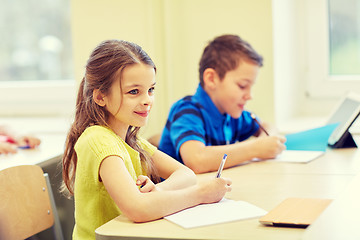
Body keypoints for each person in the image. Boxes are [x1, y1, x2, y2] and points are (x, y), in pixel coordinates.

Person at [61, 39, 232, 240]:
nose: (147, 100)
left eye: (150, 90)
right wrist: (201, 194)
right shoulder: (98, 140)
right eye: (134, 92)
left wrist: (157, 190)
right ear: (100, 97)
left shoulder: (131, 140)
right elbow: (138, 209)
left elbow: (186, 174)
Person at [158, 34, 286, 174]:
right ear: (211, 79)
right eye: (242, 86)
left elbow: (267, 126)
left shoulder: (231, 114)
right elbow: (196, 160)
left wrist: (267, 141)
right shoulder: (186, 111)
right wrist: (256, 148)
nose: (250, 96)